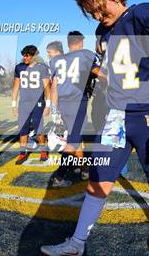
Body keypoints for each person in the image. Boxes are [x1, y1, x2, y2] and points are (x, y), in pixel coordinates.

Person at [41, 0, 149, 255]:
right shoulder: (102, 33)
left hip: (148, 115)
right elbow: (115, 72)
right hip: (116, 117)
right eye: (90, 11)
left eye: (99, 8)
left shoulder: (144, 15)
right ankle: (77, 242)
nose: (96, 15)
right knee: (98, 180)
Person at [49, 31, 100, 187]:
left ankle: (85, 170)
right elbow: (99, 73)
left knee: (76, 138)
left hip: (63, 104)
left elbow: (55, 85)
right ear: (80, 41)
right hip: (77, 103)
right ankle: (59, 175)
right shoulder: (85, 55)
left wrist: (54, 108)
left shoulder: (58, 60)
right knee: (74, 140)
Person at [12, 45, 50, 164]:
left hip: (38, 102)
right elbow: (16, 86)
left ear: (34, 56)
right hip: (24, 103)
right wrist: (13, 104)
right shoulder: (19, 67)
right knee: (23, 129)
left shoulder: (41, 68)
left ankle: (43, 150)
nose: (25, 58)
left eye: (27, 55)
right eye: (24, 55)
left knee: (39, 128)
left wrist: (48, 105)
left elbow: (47, 87)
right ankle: (22, 153)